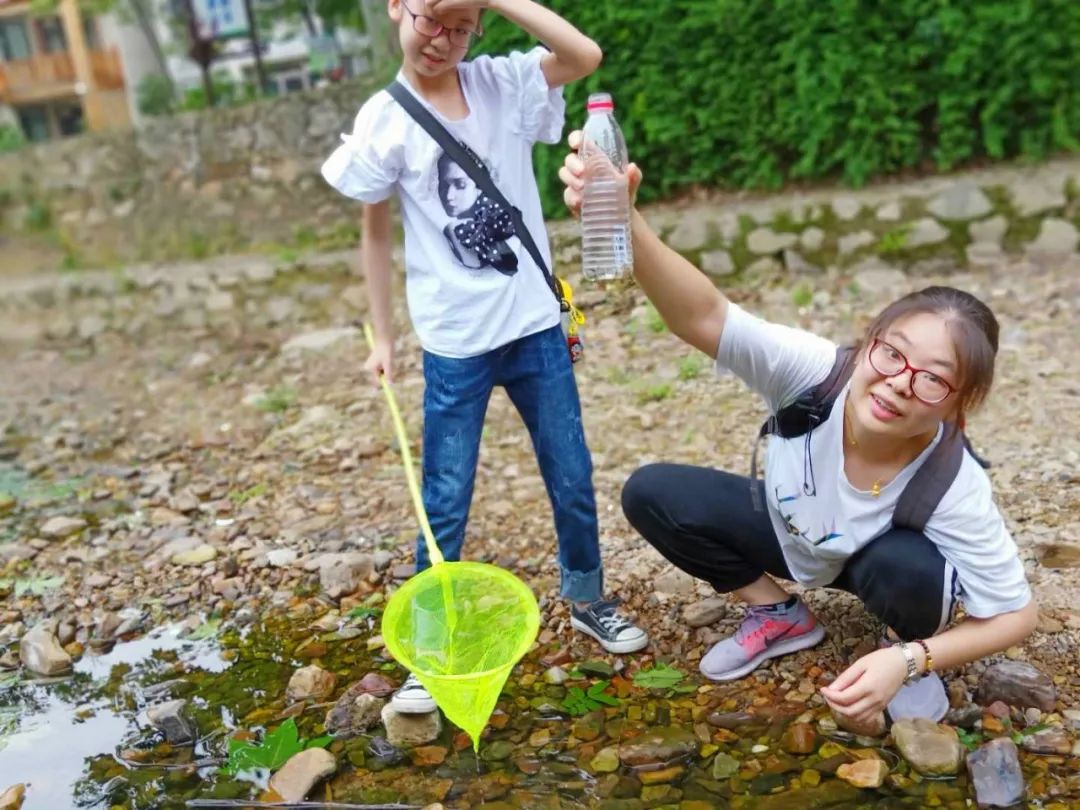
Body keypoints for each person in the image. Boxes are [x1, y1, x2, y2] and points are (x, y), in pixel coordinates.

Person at [558, 136, 1036, 733]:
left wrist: (911, 656)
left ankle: (894, 648)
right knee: (652, 492)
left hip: (873, 565)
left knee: (916, 572)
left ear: (960, 404)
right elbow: (702, 316)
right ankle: (778, 613)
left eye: (933, 380)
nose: (897, 384)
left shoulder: (951, 481)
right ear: (869, 343)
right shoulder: (814, 374)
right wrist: (627, 219)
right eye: (892, 354)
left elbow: (1017, 614)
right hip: (788, 535)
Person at [321, 0, 648, 715]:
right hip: (453, 341)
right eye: (430, 20)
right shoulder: (384, 118)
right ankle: (430, 651)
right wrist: (381, 336)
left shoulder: (503, 82)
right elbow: (375, 237)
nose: (442, 40)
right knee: (442, 497)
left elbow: (583, 54)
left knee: (571, 469)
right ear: (396, 10)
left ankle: (588, 596)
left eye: (461, 25)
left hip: (533, 324)